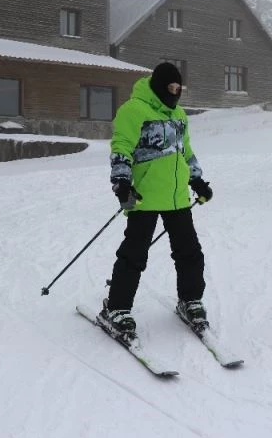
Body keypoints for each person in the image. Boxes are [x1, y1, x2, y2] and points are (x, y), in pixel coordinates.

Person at [99, 62, 214, 340]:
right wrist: (122, 183)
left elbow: (186, 151)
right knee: (134, 255)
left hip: (176, 198)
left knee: (189, 253)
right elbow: (121, 149)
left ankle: (190, 300)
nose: (175, 93)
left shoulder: (179, 116)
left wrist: (197, 179)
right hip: (144, 198)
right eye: (171, 88)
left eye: (179, 89)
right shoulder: (133, 110)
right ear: (159, 86)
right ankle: (117, 309)